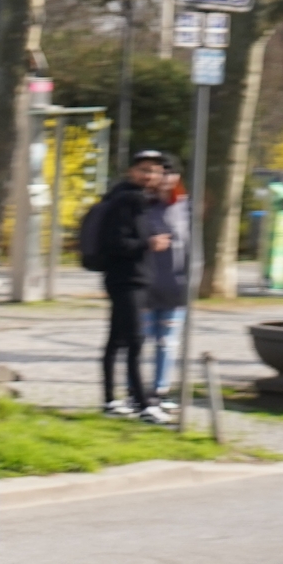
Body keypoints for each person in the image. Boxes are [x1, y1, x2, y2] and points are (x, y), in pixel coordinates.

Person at [79, 149, 174, 420]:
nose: (150, 176)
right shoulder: (126, 201)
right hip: (126, 279)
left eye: (155, 171)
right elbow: (117, 243)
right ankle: (144, 405)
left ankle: (111, 400)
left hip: (135, 278)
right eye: (144, 170)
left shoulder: (139, 200)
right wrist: (149, 243)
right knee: (134, 341)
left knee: (117, 340)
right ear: (132, 172)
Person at [143, 161, 190, 410]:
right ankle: (136, 390)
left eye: (171, 172)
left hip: (175, 285)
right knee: (141, 339)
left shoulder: (184, 207)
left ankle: (161, 389)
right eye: (162, 173)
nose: (166, 178)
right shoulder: (143, 206)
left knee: (167, 341)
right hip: (145, 284)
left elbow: (192, 246)